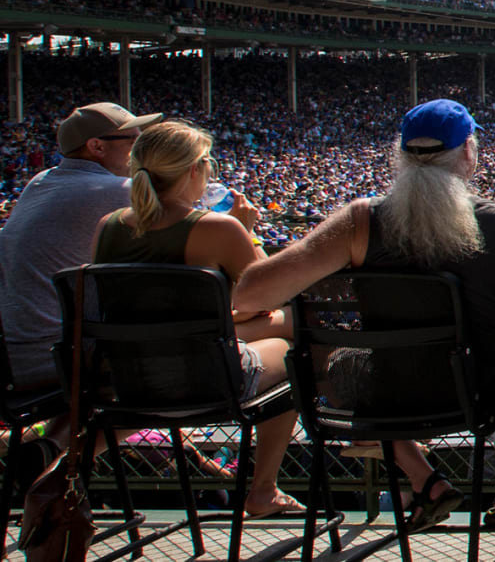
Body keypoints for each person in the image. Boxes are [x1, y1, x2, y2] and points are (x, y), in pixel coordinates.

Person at [236, 99, 495, 540]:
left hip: (389, 391)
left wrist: (248, 231)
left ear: (400, 154)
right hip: (487, 390)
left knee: (343, 362)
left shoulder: (359, 222)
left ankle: (425, 479)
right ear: (469, 151)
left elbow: (251, 291)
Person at [86, 120, 303, 517]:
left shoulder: (109, 227)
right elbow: (273, 290)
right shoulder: (218, 228)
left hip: (130, 380)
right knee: (292, 344)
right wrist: (249, 232)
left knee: (263, 325)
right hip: (207, 379)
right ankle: (264, 490)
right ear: (193, 170)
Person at [1, 102, 161, 394]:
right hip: (59, 357)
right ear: (97, 146)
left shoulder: (39, 182)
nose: (142, 149)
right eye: (134, 141)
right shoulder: (118, 191)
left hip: (15, 359)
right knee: (180, 360)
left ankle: (49, 442)